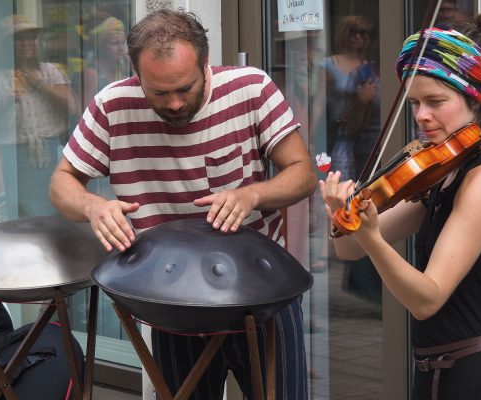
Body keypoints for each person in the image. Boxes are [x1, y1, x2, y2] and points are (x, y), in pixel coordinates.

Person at [49, 9, 316, 400]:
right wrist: (92, 206)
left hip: (261, 294)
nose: (174, 103)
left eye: (184, 89)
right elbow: (61, 182)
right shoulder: (112, 105)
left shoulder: (252, 88)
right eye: (158, 93)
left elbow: (303, 173)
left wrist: (252, 194)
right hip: (173, 300)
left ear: (206, 64)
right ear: (136, 75)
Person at [321, 15, 481, 399]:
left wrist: (373, 238)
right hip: (437, 377)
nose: (420, 115)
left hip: (480, 380)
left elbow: (427, 298)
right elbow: (348, 248)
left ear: (476, 98)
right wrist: (342, 215)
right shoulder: (442, 172)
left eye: (436, 101)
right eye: (414, 102)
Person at [0, 15, 79, 219]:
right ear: (8, 45)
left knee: (54, 207)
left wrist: (37, 83)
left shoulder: (50, 72)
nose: (25, 43)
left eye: (29, 38)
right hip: (14, 155)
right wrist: (6, 102)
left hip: (51, 149)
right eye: (18, 39)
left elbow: (72, 107)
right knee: (21, 212)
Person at [311, 15, 380, 182]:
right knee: (343, 184)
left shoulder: (372, 65)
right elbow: (319, 103)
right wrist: (311, 138)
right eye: (353, 32)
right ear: (344, 34)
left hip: (371, 134)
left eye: (364, 33)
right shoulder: (330, 64)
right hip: (342, 133)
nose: (358, 37)